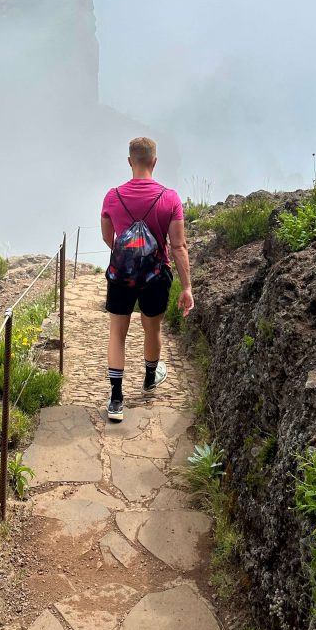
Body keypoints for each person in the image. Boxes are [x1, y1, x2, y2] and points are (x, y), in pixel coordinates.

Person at [100, 136, 194, 422]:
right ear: (154, 161)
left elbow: (108, 238)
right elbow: (178, 246)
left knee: (118, 333)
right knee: (152, 330)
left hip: (121, 277)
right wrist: (187, 287)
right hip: (156, 276)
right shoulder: (170, 198)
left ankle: (116, 400)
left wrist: (129, 257)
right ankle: (150, 378)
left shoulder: (112, 196)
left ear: (130, 161)